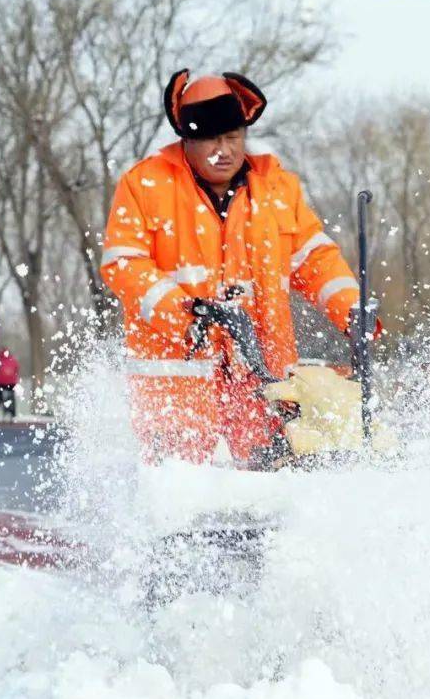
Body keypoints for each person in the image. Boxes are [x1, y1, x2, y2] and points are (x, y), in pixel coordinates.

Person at [100, 69, 373, 467]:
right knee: (183, 500)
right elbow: (123, 264)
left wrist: (354, 310)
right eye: (212, 139)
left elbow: (315, 258)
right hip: (181, 382)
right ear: (187, 141)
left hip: (263, 376)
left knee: (271, 483)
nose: (224, 150)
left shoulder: (278, 189)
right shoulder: (145, 186)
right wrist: (185, 315)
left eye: (233, 138)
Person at [0, 347, 19, 419]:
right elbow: (16, 369)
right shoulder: (13, 361)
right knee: (12, 395)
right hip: (11, 383)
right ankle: (13, 413)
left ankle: (0, 400)